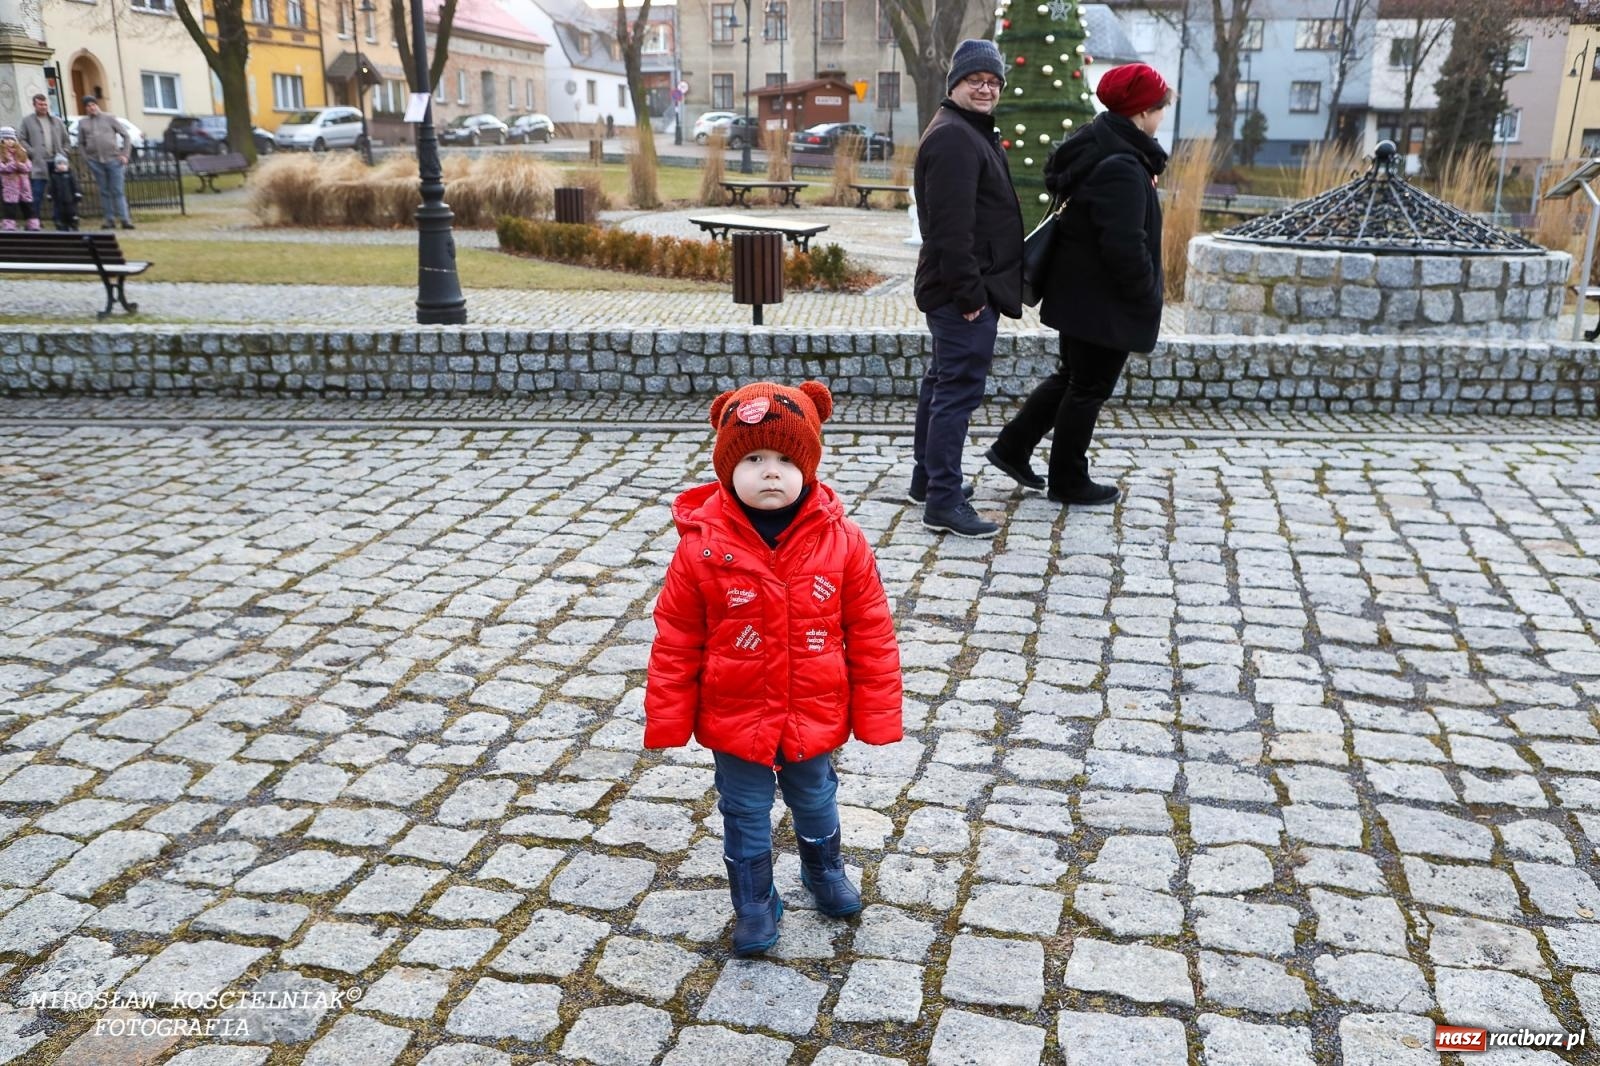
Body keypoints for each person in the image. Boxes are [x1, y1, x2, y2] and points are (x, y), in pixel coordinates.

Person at [645, 380, 903, 957]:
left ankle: (823, 869)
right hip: (736, 714)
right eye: (754, 458)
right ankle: (755, 900)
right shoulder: (700, 550)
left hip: (813, 710)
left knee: (815, 795)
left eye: (786, 459)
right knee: (743, 807)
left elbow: (871, 632)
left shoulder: (843, 541)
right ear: (726, 468)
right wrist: (667, 717)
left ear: (808, 467)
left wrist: (878, 714)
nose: (770, 472)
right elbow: (677, 638)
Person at [986, 62, 1172, 507]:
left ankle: (1013, 447)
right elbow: (1124, 246)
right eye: (1160, 107)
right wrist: (1147, 294)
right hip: (1102, 302)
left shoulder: (1103, 147)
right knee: (1088, 387)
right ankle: (1069, 479)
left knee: (1073, 377)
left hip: (1084, 297)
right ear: (1144, 111)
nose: (1162, 115)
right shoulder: (1122, 166)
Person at [911, 39, 1024, 539]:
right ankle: (943, 501)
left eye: (994, 81)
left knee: (941, 385)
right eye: (976, 79)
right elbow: (949, 232)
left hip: (960, 290)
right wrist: (972, 297)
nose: (986, 87)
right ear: (955, 83)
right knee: (956, 393)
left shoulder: (968, 130)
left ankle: (927, 480)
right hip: (962, 295)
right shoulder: (955, 138)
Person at [77, 96, 135, 231]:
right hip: (96, 162)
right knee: (104, 191)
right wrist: (87, 159)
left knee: (117, 191)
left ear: (97, 105)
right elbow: (80, 143)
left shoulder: (109, 118)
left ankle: (125, 220)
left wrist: (125, 154)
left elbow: (126, 136)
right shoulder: (83, 123)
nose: (92, 108)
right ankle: (109, 220)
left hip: (114, 160)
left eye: (93, 105)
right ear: (85, 108)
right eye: (88, 106)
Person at [19, 94, 69, 228]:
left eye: (45, 104)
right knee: (36, 193)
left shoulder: (57, 121)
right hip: (39, 162)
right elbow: (22, 139)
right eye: (40, 104)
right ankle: (35, 221)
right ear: (34, 105)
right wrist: (32, 152)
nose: (43, 107)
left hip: (57, 162)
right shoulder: (27, 121)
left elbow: (66, 140)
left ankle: (58, 219)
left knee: (59, 192)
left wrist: (63, 153)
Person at [0, 129, 39, 231]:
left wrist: (21, 166)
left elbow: (28, 166)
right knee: (10, 206)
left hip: (24, 185)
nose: (9, 141)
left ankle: (33, 224)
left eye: (11, 139)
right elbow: (2, 167)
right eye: (6, 139)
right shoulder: (1, 153)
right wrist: (12, 165)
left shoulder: (21, 151)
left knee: (28, 205)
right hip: (9, 185)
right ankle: (9, 225)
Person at [47, 154, 81, 231]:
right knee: (60, 213)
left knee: (72, 212)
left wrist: (77, 193)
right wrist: (50, 194)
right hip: (59, 200)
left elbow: (75, 185)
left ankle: (73, 224)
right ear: (56, 166)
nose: (62, 166)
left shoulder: (70, 175)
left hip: (70, 199)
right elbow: (51, 187)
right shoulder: (54, 176)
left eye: (64, 164)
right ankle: (61, 225)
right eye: (59, 164)